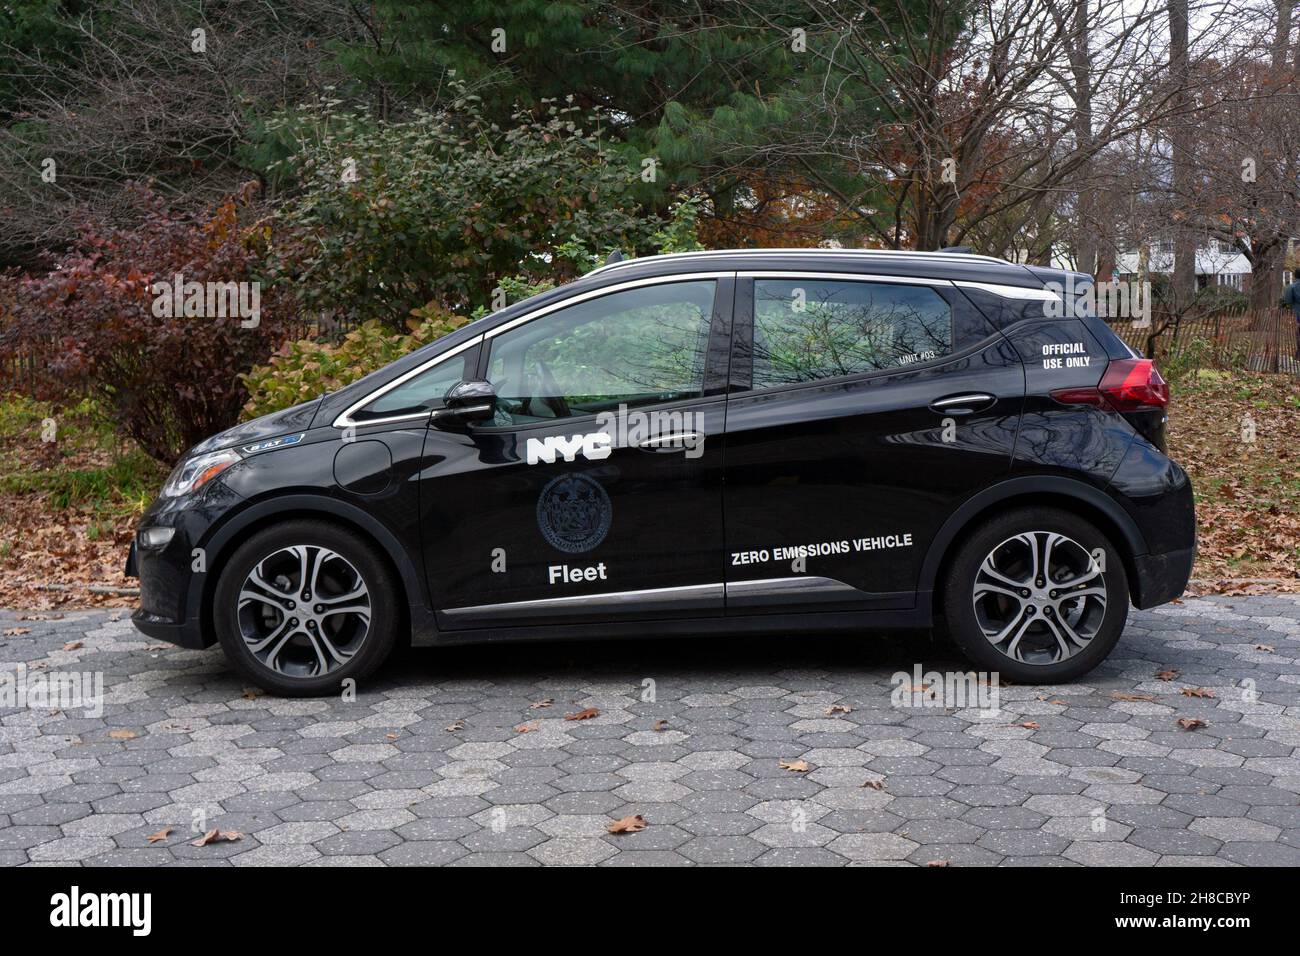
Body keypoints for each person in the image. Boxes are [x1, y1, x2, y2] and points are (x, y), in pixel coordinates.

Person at [1284, 273, 1300, 360]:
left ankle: (1299, 353)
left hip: (1297, 313)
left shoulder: (1291, 287)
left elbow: (1287, 301)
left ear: (1295, 276)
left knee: (1298, 333)